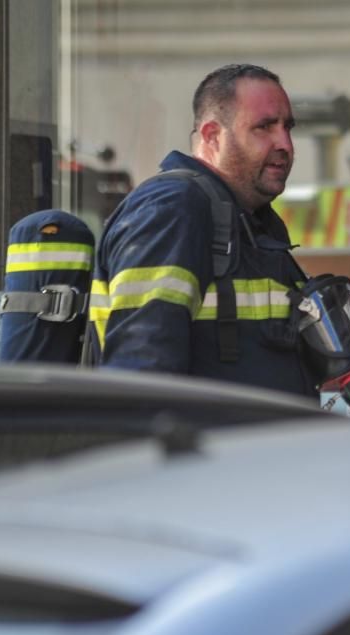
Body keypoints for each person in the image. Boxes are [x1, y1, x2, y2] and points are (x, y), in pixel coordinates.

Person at [88, 64, 318, 399]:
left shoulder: (250, 219)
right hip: (207, 448)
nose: (284, 143)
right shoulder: (174, 209)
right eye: (264, 127)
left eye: (287, 127)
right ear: (212, 136)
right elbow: (141, 371)